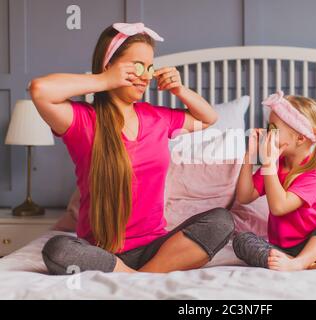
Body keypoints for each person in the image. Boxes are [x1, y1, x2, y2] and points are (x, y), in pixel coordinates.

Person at [31, 22, 234, 275]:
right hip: (100, 253)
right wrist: (104, 79)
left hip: (155, 248)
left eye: (150, 67)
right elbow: (40, 90)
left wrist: (180, 90)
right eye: (138, 66)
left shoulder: (157, 118)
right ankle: (136, 275)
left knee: (221, 221)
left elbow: (208, 118)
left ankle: (140, 276)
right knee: (57, 249)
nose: (146, 75)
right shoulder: (82, 120)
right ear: (109, 66)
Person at [233, 91, 316, 271]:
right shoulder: (275, 166)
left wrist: (268, 164)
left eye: (273, 129)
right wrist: (249, 157)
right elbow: (244, 196)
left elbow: (279, 207)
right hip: (282, 249)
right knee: (240, 241)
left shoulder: (314, 174)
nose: (267, 133)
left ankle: (301, 262)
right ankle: (304, 264)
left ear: (300, 138)